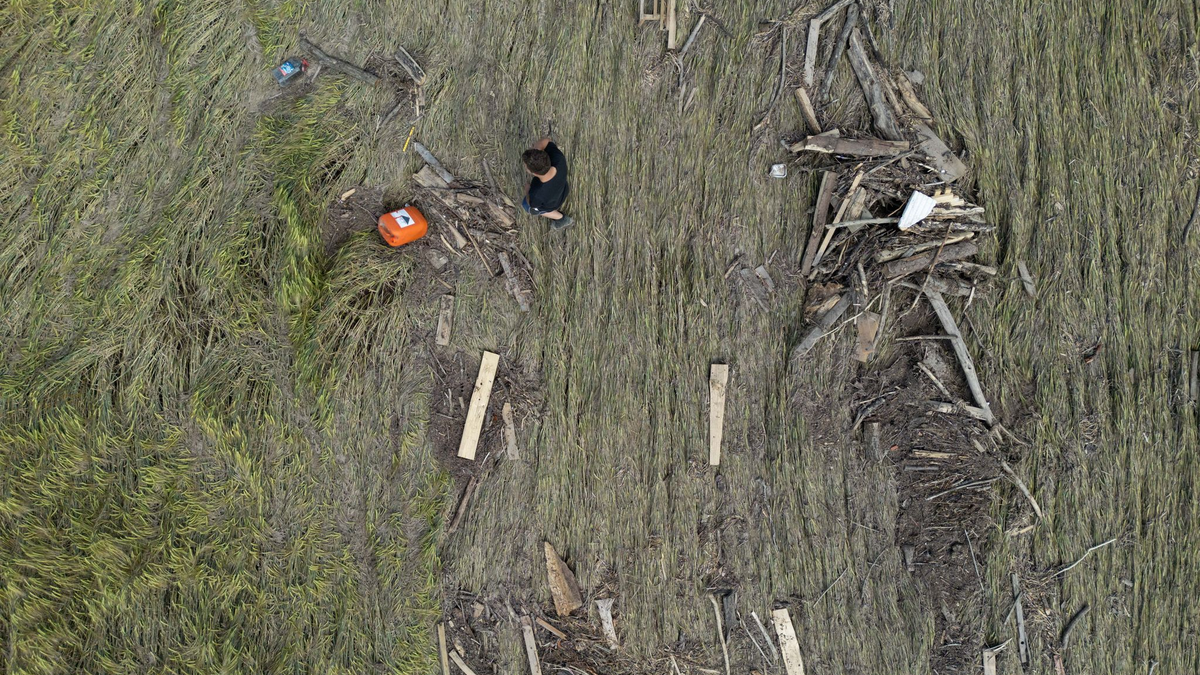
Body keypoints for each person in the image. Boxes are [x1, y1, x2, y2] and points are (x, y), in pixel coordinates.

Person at [521, 137, 573, 230]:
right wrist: (535, 154)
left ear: (533, 173)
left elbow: (531, 204)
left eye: (526, 167)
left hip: (552, 204)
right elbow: (546, 141)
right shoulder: (559, 159)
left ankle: (561, 219)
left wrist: (527, 190)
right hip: (564, 189)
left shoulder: (537, 194)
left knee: (526, 206)